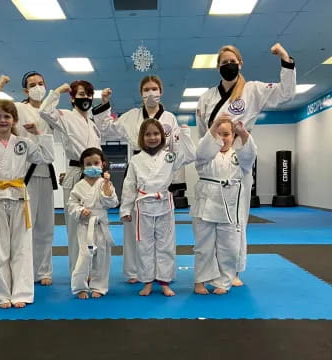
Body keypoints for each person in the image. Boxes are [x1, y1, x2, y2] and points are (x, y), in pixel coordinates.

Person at [195, 43, 296, 285]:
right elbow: (203, 133)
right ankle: (210, 271)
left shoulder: (252, 90)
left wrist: (285, 58)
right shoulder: (206, 97)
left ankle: (235, 270)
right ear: (218, 68)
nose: (228, 66)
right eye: (223, 63)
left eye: (232, 61)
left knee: (237, 220)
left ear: (240, 63)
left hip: (239, 159)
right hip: (213, 159)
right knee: (209, 222)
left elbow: (285, 94)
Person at [93, 75, 183, 284]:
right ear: (141, 93)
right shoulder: (132, 116)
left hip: (161, 170)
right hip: (137, 167)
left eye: (154, 88)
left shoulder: (169, 117)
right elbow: (106, 128)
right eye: (147, 89)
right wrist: (105, 104)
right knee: (133, 226)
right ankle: (135, 271)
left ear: (161, 91)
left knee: (162, 234)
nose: (151, 93)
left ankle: (162, 274)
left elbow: (177, 148)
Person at [0, 72, 56, 286]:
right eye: (33, 84)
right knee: (23, 229)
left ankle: (44, 271)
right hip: (22, 174)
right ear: (25, 90)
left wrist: (57, 95)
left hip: (45, 170)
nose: (38, 87)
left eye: (41, 83)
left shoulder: (50, 108)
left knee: (46, 226)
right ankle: (24, 273)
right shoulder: (18, 109)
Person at [120, 119, 195, 296]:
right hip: (143, 206)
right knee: (144, 246)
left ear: (162, 136)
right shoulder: (136, 160)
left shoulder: (169, 156)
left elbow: (191, 156)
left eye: (156, 133)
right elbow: (129, 185)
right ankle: (146, 281)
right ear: (141, 137)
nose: (152, 137)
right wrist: (125, 209)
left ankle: (164, 282)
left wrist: (185, 135)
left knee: (165, 245)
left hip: (164, 204)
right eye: (148, 134)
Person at [39, 80, 101, 275]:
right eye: (81, 94)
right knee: (75, 230)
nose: (86, 98)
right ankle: (78, 273)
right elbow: (44, 111)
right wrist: (58, 91)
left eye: (89, 94)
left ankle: (93, 272)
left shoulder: (92, 123)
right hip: (76, 174)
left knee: (95, 227)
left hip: (95, 176)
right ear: (72, 98)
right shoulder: (65, 116)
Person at [191, 118, 257, 294]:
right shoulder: (205, 155)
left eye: (226, 134)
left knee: (229, 246)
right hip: (205, 203)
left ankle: (224, 281)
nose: (222, 138)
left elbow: (250, 155)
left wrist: (243, 133)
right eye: (218, 134)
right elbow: (202, 151)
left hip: (230, 203)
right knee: (203, 246)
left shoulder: (238, 156)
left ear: (233, 136)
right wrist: (213, 127)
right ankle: (200, 280)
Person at [68, 148, 119, 299]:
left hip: (101, 224)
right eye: (88, 164)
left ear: (102, 164)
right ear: (83, 167)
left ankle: (99, 286)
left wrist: (107, 184)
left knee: (102, 256)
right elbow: (71, 204)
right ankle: (79, 287)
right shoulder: (79, 186)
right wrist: (80, 210)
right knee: (84, 256)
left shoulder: (105, 183)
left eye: (95, 163)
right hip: (85, 225)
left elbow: (112, 202)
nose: (92, 166)